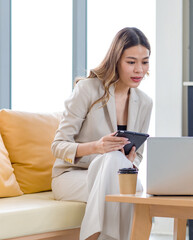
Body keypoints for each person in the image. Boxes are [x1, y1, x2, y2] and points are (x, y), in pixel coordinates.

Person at [51, 27, 152, 240]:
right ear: (116, 60)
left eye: (145, 62)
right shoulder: (88, 89)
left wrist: (130, 160)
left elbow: (138, 155)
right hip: (72, 175)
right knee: (119, 175)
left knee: (117, 165)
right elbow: (58, 145)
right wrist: (97, 147)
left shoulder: (144, 102)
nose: (139, 70)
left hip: (115, 173)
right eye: (131, 62)